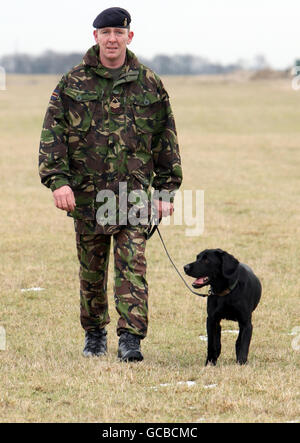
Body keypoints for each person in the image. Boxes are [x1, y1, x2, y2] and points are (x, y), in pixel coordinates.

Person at [39, 7, 182, 362]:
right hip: (87, 195)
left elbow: (166, 139)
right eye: (106, 33)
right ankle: (94, 334)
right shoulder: (72, 82)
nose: (113, 39)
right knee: (92, 268)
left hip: (133, 194)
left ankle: (131, 339)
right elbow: (52, 135)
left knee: (132, 264)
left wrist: (165, 191)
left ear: (129, 37)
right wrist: (58, 182)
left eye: (119, 32)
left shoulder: (149, 83)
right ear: (96, 37)